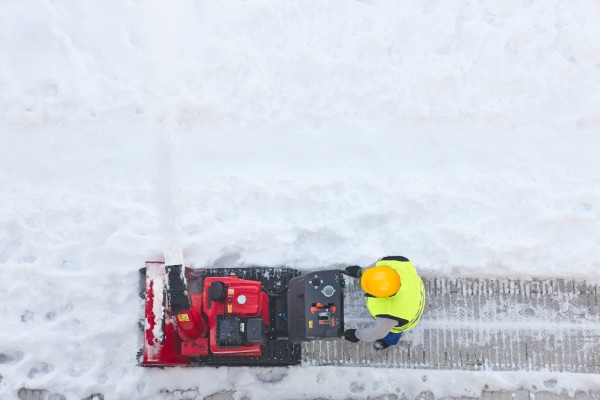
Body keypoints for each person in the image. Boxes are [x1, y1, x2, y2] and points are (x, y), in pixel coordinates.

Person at [342, 255, 426, 350]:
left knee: (393, 329)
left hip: (410, 314)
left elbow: (374, 334)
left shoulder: (392, 315)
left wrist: (356, 334)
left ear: (381, 296)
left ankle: (388, 341)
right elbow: (376, 266)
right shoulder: (397, 262)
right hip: (414, 289)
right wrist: (360, 272)